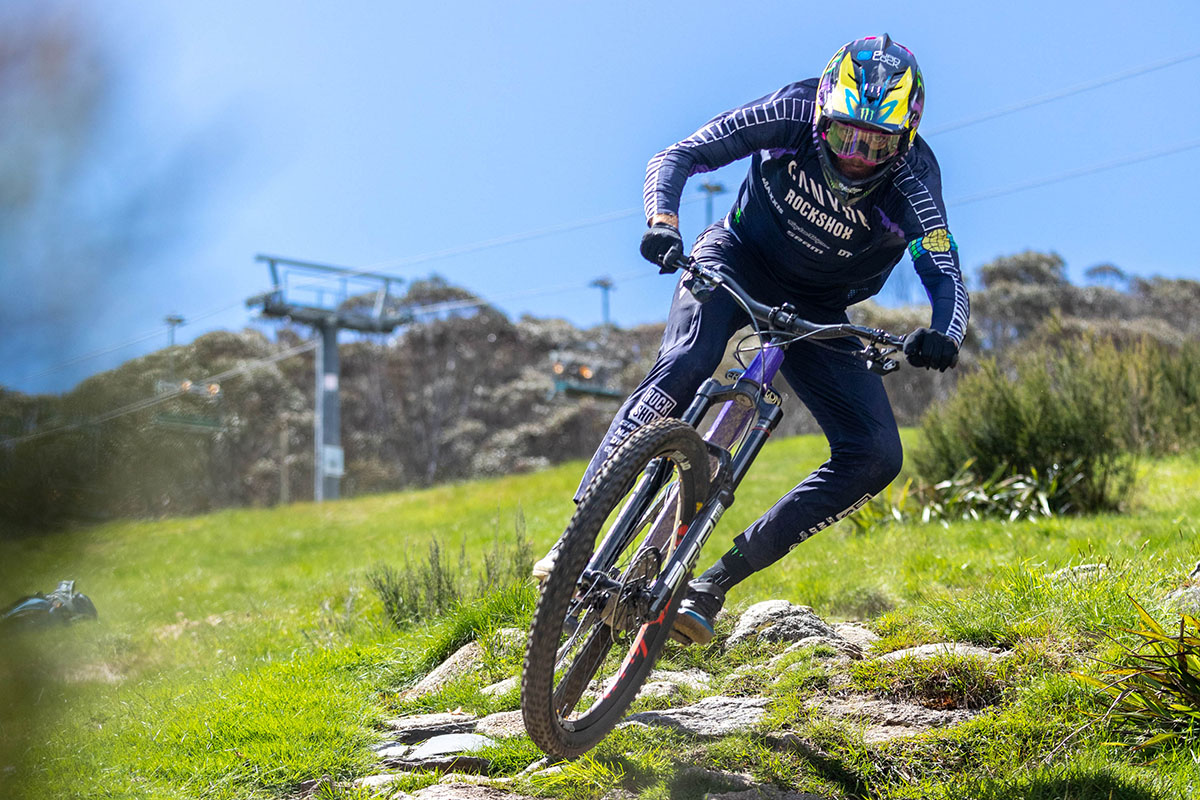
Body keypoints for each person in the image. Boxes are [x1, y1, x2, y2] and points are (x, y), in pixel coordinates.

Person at [535, 34, 968, 646]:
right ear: (823, 111)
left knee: (876, 454)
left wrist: (943, 335)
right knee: (688, 361)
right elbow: (679, 156)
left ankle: (712, 584)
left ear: (906, 138)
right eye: (845, 135)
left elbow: (944, 269)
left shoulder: (915, 183)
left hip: (821, 309)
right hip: (737, 259)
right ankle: (576, 539)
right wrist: (663, 223)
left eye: (878, 145)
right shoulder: (790, 112)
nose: (857, 157)